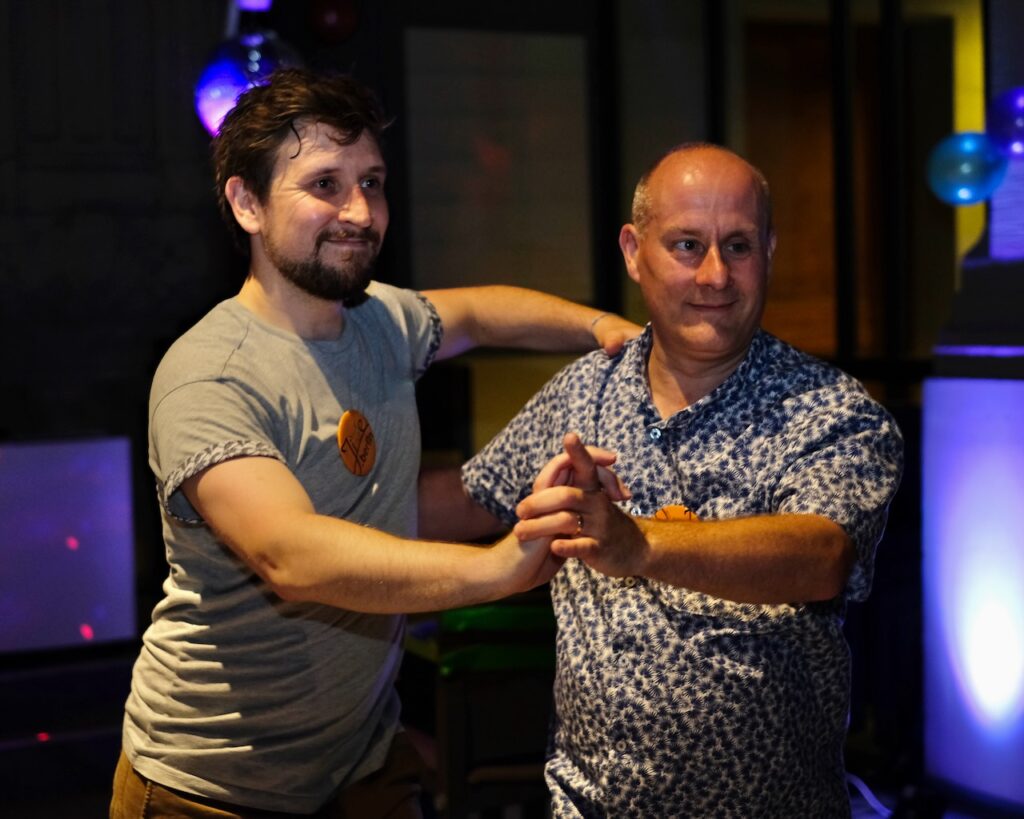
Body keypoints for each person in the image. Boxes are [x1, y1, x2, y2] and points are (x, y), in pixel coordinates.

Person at [109, 67, 641, 819]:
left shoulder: (378, 321)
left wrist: (603, 328)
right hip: (211, 787)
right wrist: (499, 567)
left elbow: (481, 313)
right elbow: (291, 556)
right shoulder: (210, 375)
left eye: (373, 183)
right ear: (247, 203)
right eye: (325, 184)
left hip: (359, 761)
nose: (360, 211)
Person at [433, 143, 904, 816]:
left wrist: (639, 543)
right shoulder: (585, 392)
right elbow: (468, 499)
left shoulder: (832, 411)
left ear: (769, 251)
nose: (715, 275)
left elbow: (821, 556)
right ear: (633, 251)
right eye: (687, 245)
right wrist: (321, 500)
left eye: (738, 246)